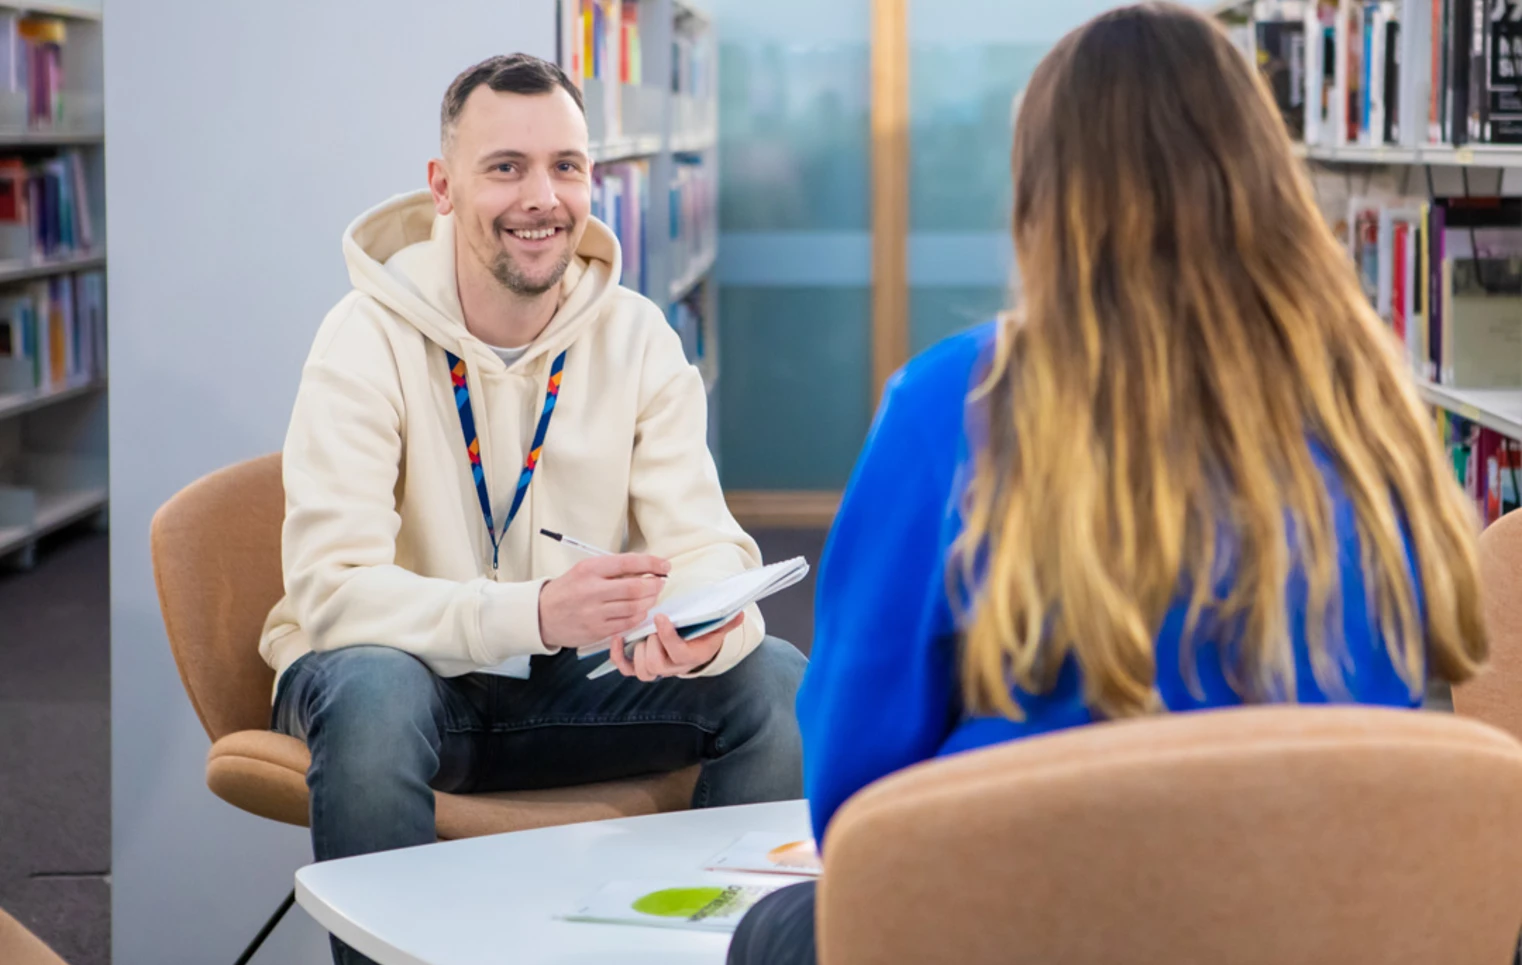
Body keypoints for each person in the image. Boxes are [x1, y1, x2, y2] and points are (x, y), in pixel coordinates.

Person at [728, 4, 1487, 962]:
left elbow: (855, 799)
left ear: (1046, 192)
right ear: (1267, 177)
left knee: (778, 934)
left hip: (1032, 922)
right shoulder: (1371, 412)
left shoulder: (957, 405)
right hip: (1314, 917)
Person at [257, 53, 806, 965]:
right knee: (373, 689)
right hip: (404, 683)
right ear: (442, 186)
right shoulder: (363, 336)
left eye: (565, 166)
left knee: (777, 678)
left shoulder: (636, 335)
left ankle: (720, 949)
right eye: (504, 167)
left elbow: (707, 543)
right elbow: (332, 592)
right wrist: (536, 612)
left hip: (566, 688)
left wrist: (701, 626)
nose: (541, 197)